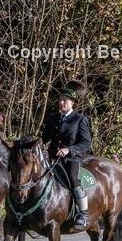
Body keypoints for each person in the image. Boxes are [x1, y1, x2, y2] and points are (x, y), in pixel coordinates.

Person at [41, 81, 92, 227]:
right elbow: (44, 138)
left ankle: (83, 213)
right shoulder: (53, 119)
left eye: (65, 100)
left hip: (71, 159)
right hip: (52, 157)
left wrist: (69, 149)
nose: (62, 102)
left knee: (73, 179)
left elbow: (86, 143)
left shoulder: (80, 119)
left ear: (72, 103)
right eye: (60, 99)